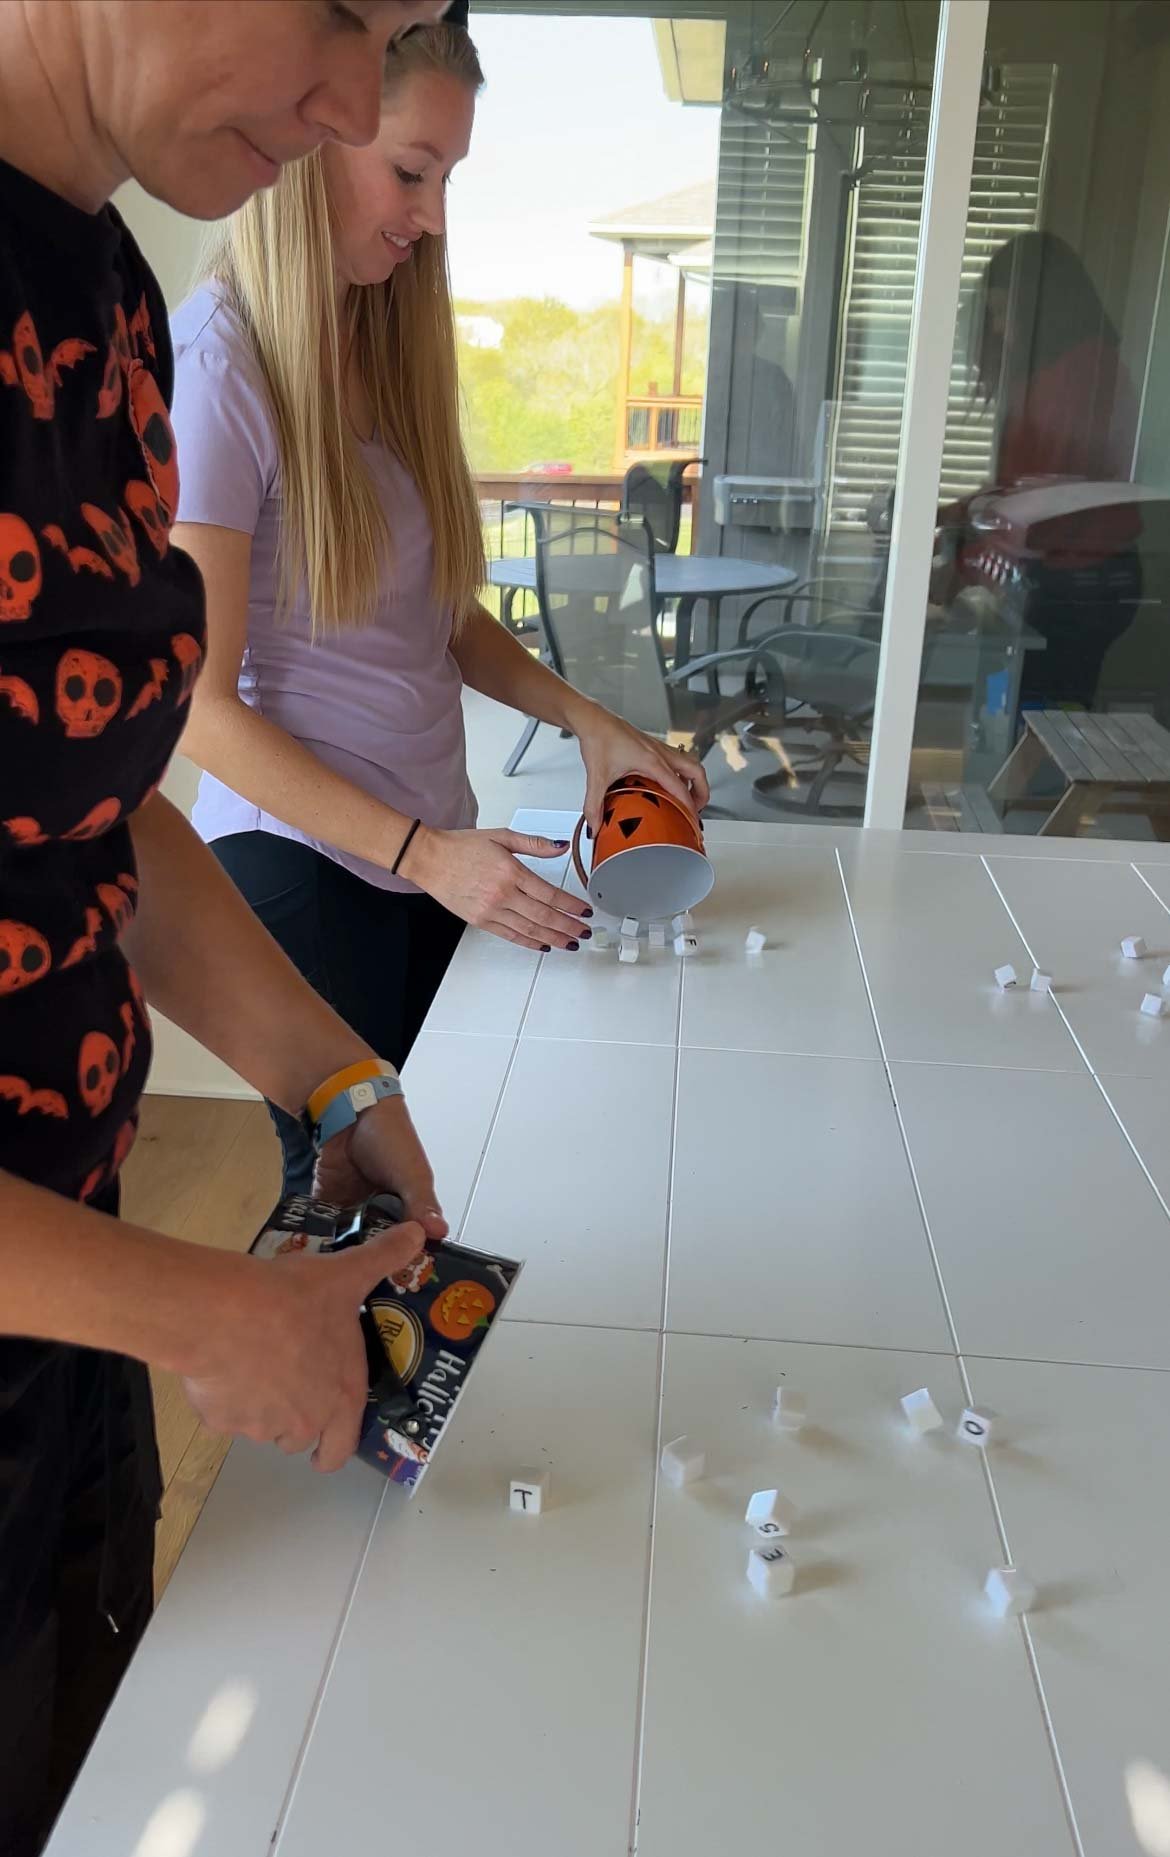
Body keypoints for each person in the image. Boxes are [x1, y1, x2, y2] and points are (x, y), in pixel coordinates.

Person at [0, 5, 461, 1852]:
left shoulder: (99, 283)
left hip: (58, 1294)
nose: (356, 101)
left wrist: (326, 1071)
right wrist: (213, 1311)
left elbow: (98, 795)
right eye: (341, 8)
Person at [169, 18, 709, 1198]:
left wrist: (589, 724)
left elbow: (442, 618)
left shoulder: (375, 341)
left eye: (449, 180)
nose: (434, 216)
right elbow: (197, 708)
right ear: (315, 142)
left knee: (438, 1198)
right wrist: (430, 858)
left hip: (418, 859)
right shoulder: (219, 365)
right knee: (357, 1218)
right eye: (412, 171)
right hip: (306, 869)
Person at [943, 230, 1142, 712]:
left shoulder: (1078, 374)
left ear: (1037, 306)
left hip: (1078, 578)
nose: (997, 328)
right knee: (1028, 713)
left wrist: (963, 554)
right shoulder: (1073, 368)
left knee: (1034, 718)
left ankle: (1033, 786)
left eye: (1000, 311)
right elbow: (1029, 486)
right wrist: (958, 514)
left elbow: (1047, 497)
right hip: (1081, 571)